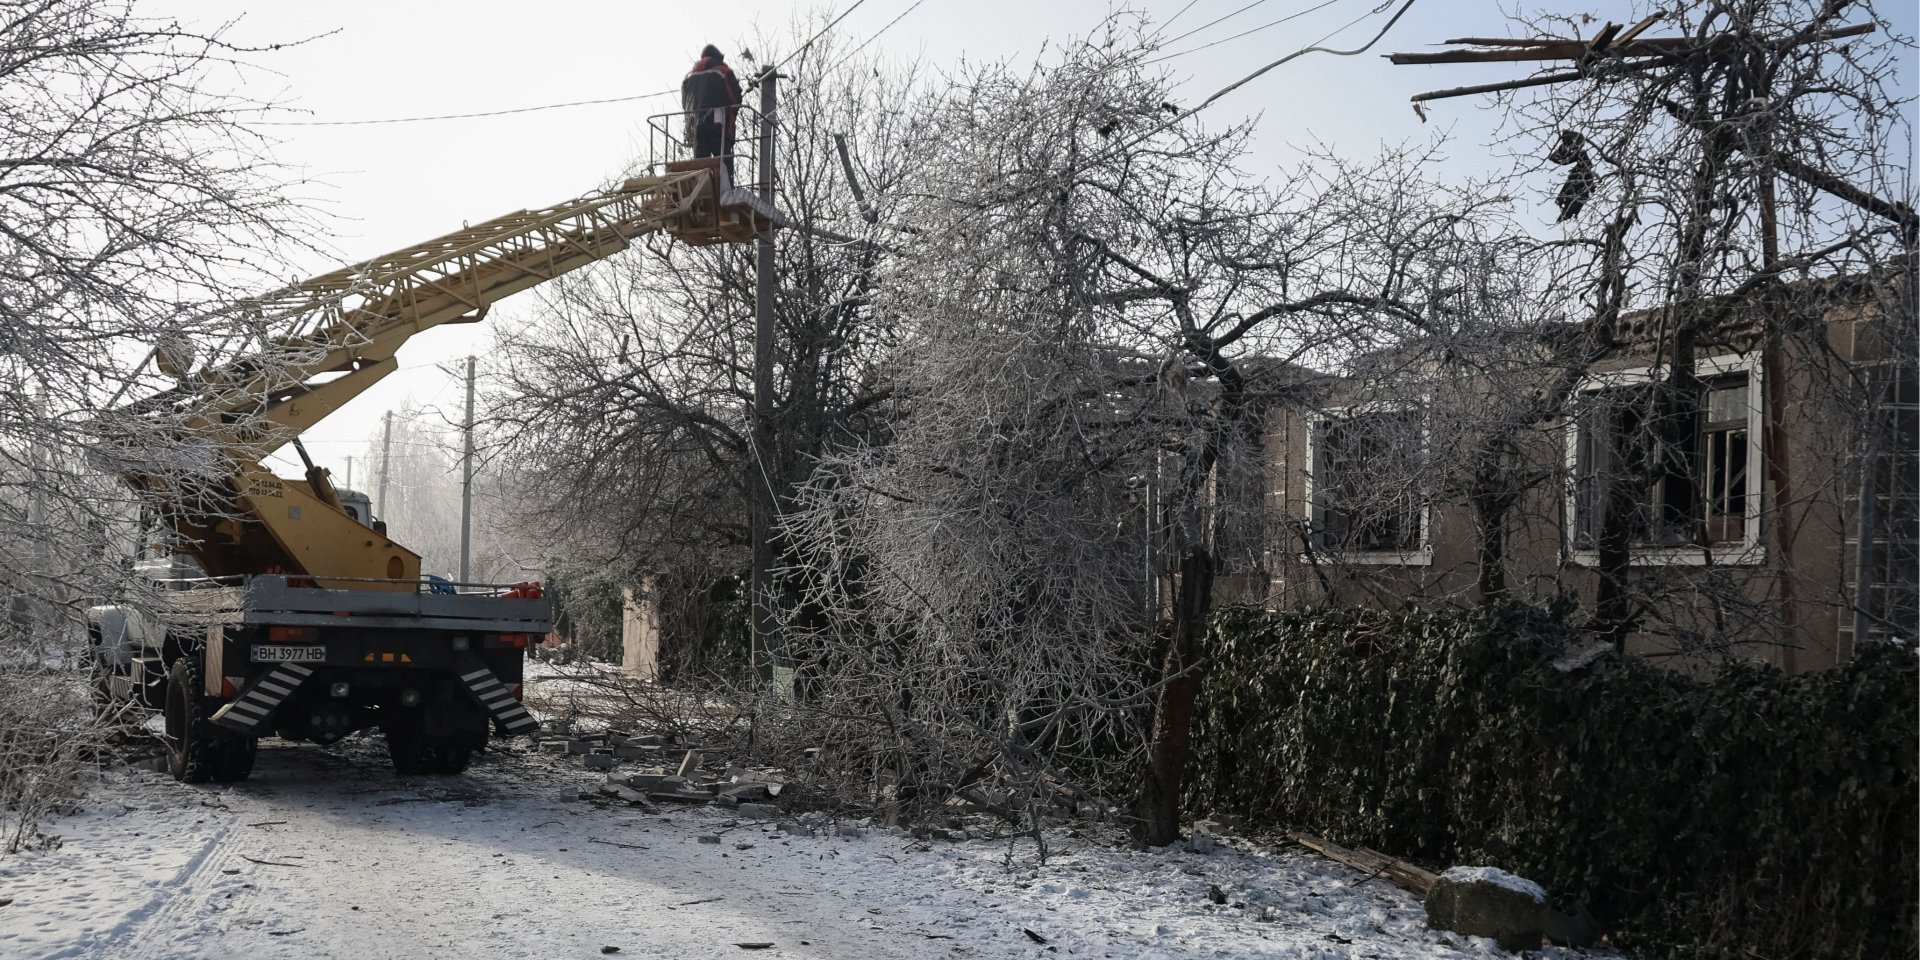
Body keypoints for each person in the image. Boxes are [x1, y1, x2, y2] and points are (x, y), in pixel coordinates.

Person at [682, 44, 744, 182]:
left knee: (700, 161)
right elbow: (736, 98)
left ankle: (701, 188)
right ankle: (727, 189)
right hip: (719, 122)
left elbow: (685, 103)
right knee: (723, 160)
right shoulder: (723, 71)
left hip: (695, 125)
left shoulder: (689, 78)